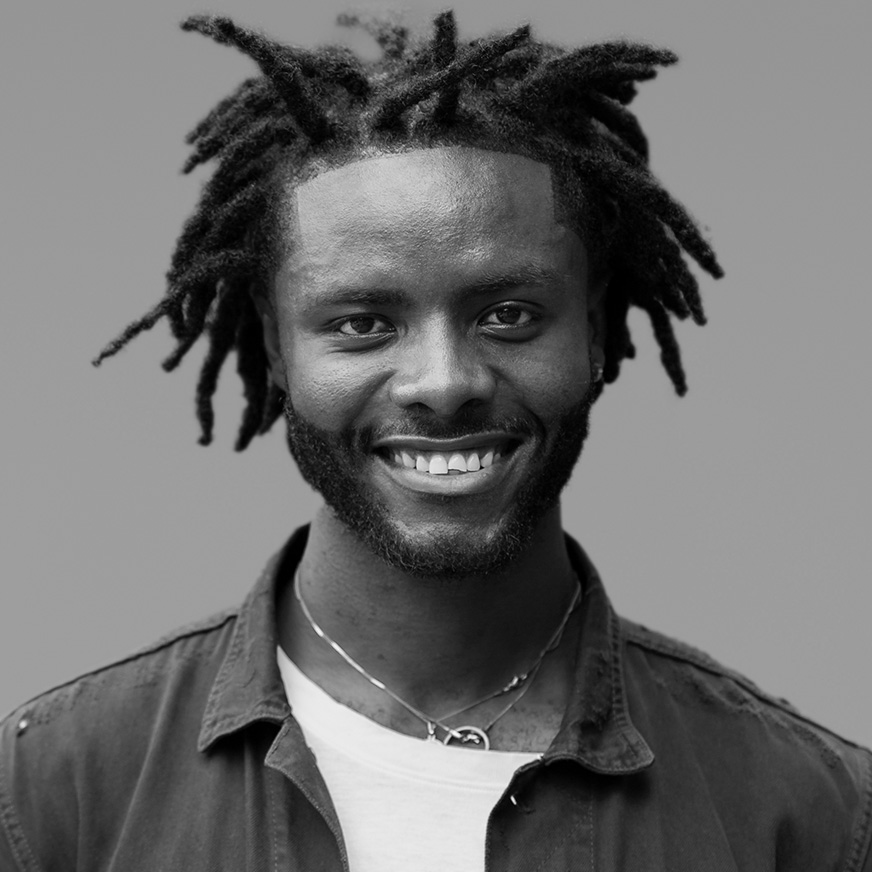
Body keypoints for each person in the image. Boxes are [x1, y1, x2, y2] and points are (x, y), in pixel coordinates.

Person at [1, 11, 869, 870]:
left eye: (508, 315)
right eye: (362, 323)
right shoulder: (52, 793)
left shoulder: (812, 813)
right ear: (276, 346)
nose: (445, 382)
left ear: (594, 328)